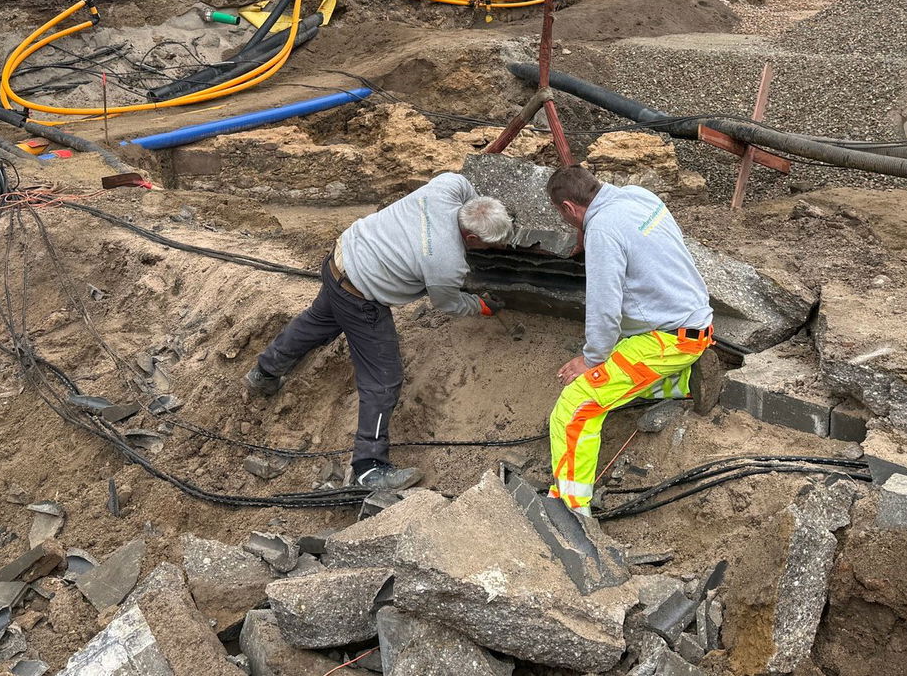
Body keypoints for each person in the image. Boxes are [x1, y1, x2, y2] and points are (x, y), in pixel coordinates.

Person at [244, 172, 513, 491]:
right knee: (383, 379)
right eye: (488, 244)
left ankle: (265, 371)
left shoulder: (449, 186)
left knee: (318, 321)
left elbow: (469, 186)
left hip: (341, 258)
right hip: (361, 295)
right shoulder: (446, 262)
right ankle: (368, 467)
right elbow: (448, 302)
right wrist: (479, 306)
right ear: (471, 239)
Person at [545, 164, 715, 515]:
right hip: (691, 322)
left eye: (562, 217)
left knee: (575, 407)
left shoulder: (603, 231)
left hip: (667, 340)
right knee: (617, 367)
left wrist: (591, 359)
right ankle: (682, 382)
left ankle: (570, 506)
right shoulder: (638, 196)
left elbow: (604, 308)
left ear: (568, 208)